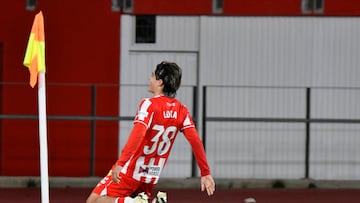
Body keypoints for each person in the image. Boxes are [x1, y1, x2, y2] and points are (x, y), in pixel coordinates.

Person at [86, 61, 215, 203]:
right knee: (135, 199)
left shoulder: (149, 104)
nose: (150, 79)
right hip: (151, 174)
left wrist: (120, 163)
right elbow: (195, 140)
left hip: (131, 171)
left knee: (94, 201)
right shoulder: (182, 110)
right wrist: (205, 172)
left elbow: (138, 134)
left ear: (160, 82)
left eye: (153, 76)